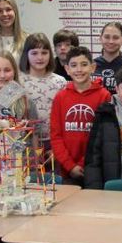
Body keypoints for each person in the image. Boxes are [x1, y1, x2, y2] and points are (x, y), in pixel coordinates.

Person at [49, 45, 112, 185]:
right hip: (67, 170)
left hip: (95, 168)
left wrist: (84, 163)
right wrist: (70, 165)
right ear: (67, 69)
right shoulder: (60, 97)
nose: (79, 70)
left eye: (84, 64)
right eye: (74, 65)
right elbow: (56, 136)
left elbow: (104, 136)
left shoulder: (104, 96)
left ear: (93, 67)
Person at [18, 33, 67, 152]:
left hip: (56, 142)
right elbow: (6, 113)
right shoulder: (17, 81)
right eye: (34, 53)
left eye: (44, 53)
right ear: (26, 55)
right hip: (25, 142)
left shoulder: (60, 82)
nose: (40, 57)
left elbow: (65, 115)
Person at [93, 21, 122, 94]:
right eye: (107, 37)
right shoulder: (91, 65)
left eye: (116, 38)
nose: (111, 41)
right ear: (100, 38)